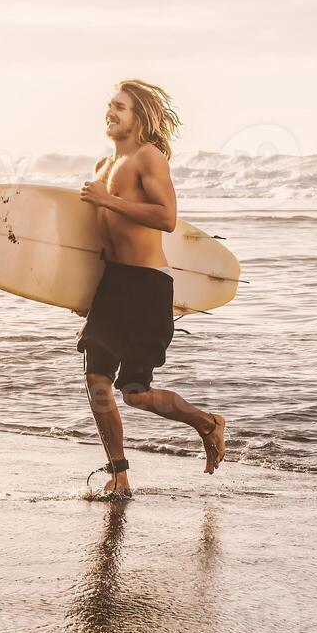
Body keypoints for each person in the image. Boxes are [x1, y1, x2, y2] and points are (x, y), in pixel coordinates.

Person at [76, 79, 226, 499]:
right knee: (95, 379)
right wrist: (85, 294)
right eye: (109, 105)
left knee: (135, 394)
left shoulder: (149, 158)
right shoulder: (102, 168)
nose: (111, 112)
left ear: (139, 117)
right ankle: (119, 474)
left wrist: (108, 202)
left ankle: (208, 423)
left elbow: (167, 218)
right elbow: (102, 243)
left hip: (146, 285)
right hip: (112, 284)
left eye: (119, 107)